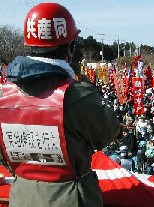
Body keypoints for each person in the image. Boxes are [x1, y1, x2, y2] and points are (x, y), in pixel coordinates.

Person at [0, 3, 120, 207]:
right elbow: (109, 132)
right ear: (70, 48)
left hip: (22, 197)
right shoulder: (77, 95)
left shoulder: (4, 94)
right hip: (71, 198)